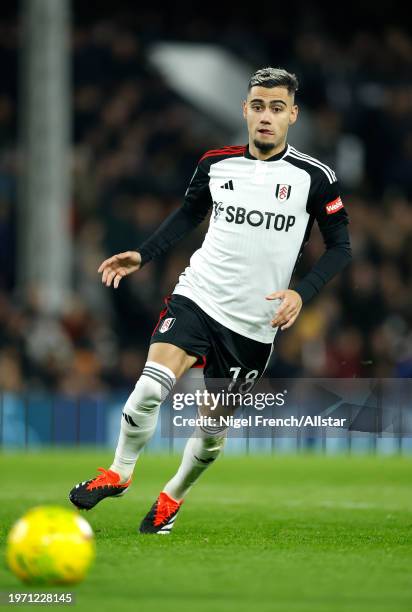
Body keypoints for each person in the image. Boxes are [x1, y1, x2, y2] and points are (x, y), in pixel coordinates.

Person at [69, 67, 351, 534]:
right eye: (258, 106)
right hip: (199, 295)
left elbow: (341, 247)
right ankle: (119, 472)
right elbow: (188, 215)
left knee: (211, 431)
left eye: (276, 108)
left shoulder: (313, 177)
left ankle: (172, 496)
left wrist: (303, 293)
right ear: (245, 110)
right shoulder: (216, 163)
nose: (266, 116)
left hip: (254, 324)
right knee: (148, 389)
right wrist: (144, 253)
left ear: (293, 115)